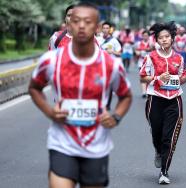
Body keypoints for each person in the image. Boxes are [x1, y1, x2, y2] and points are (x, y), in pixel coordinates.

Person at [28, 3, 132, 188]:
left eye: (88, 21)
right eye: (76, 21)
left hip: (96, 146)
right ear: (68, 24)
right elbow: (34, 87)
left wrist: (116, 116)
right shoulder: (51, 60)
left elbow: (126, 95)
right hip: (62, 143)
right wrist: (50, 112)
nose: (82, 26)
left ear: (98, 27)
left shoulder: (111, 65)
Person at [140, 22, 186, 184]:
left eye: (166, 37)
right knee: (157, 135)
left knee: (168, 138)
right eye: (160, 37)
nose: (164, 40)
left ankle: (164, 171)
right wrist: (157, 78)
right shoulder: (151, 57)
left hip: (174, 101)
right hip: (155, 99)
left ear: (172, 39)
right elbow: (142, 77)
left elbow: (180, 80)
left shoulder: (179, 58)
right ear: (156, 40)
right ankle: (158, 151)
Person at [135, 30, 152, 98]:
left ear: (149, 36)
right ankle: (144, 92)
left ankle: (148, 90)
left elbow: (153, 50)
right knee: (142, 76)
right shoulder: (139, 43)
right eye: (144, 36)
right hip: (141, 61)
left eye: (147, 36)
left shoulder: (151, 43)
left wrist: (148, 49)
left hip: (150, 62)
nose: (145, 37)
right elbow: (136, 51)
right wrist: (137, 53)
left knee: (149, 77)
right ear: (142, 36)